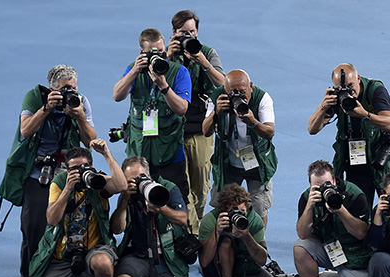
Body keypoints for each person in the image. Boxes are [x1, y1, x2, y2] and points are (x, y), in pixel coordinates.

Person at [0, 64, 97, 277]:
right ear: (52, 89)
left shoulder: (80, 101)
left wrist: (80, 116)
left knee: (76, 228)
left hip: (68, 172)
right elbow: (25, 130)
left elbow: (90, 140)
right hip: (38, 173)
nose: (70, 93)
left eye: (73, 88)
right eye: (65, 89)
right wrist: (46, 109)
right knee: (33, 229)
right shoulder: (36, 97)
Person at [25, 142, 127, 277]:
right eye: (74, 169)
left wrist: (106, 153)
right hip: (63, 254)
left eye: (84, 167)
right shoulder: (59, 182)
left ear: (91, 166)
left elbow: (121, 185)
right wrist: (67, 189)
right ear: (66, 168)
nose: (79, 173)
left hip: (95, 249)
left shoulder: (98, 181)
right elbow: (52, 220)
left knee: (103, 262)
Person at [307, 63, 390, 205]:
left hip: (382, 157)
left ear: (358, 78)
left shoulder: (375, 90)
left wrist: (365, 114)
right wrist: (323, 106)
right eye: (341, 88)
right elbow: (312, 129)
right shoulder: (337, 97)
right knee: (359, 207)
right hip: (357, 161)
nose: (348, 92)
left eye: (351, 86)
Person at [112, 27, 191, 203]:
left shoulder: (178, 72)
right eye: (152, 53)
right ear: (142, 52)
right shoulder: (134, 69)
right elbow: (117, 95)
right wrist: (133, 72)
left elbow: (182, 109)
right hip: (139, 151)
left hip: (169, 152)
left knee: (176, 199)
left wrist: (164, 87)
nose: (158, 57)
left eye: (162, 52)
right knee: (136, 201)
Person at [110, 156, 192, 277]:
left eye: (141, 178)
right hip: (140, 254)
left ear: (149, 175)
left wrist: (161, 208)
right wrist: (124, 200)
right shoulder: (128, 195)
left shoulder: (167, 189)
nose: (138, 183)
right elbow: (117, 229)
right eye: (132, 180)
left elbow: (183, 219)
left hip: (167, 256)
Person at [167, 9, 226, 233]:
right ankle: (190, 231)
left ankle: (197, 222)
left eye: (192, 32)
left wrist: (204, 63)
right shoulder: (165, 54)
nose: (189, 37)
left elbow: (223, 83)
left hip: (201, 128)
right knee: (182, 184)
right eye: (184, 33)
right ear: (174, 33)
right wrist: (169, 58)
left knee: (201, 184)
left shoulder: (207, 53)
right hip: (173, 129)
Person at [294, 160, 373, 277]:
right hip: (328, 249)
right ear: (310, 186)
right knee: (300, 247)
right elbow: (302, 234)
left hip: (354, 257)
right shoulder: (306, 198)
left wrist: (340, 209)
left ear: (335, 181)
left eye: (327, 184)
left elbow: (361, 234)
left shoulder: (355, 194)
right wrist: (309, 207)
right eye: (317, 187)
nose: (324, 190)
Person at [202, 69, 277, 226]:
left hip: (258, 164)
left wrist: (253, 122)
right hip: (228, 164)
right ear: (225, 90)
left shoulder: (262, 98)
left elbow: (270, 132)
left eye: (243, 92)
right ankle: (224, 242)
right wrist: (215, 112)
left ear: (250, 86)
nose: (239, 97)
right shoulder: (217, 97)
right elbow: (205, 131)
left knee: (259, 208)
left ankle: (257, 244)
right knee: (221, 206)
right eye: (233, 93)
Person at [198, 183, 284, 277]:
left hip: (245, 268)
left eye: (242, 211)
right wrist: (216, 232)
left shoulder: (254, 221)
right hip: (216, 270)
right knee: (226, 242)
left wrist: (246, 237)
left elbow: (262, 261)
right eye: (234, 211)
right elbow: (204, 262)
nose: (239, 214)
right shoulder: (211, 220)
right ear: (224, 210)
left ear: (247, 207)